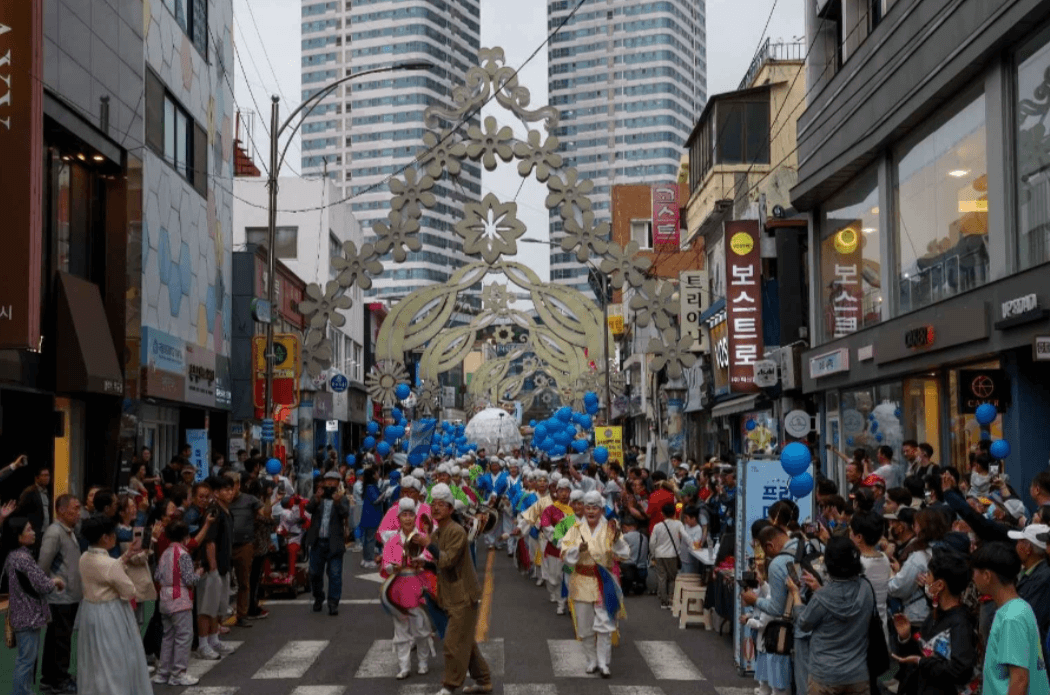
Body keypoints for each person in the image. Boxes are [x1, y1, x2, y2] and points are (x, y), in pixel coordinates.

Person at [422, 483, 492, 695]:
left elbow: (447, 561)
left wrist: (428, 544)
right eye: (433, 504)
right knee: (466, 643)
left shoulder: (456, 531)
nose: (436, 508)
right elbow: (438, 563)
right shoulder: (439, 532)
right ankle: (484, 681)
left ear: (451, 509)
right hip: (450, 594)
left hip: (463, 595)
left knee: (453, 643)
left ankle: (449, 686)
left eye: (441, 505)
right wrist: (423, 564)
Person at [77, 514, 152, 694]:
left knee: (94, 662)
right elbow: (129, 591)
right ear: (105, 538)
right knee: (116, 662)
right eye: (113, 534)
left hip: (89, 611)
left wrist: (126, 556)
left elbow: (108, 570)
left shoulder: (84, 557)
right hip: (111, 613)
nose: (115, 537)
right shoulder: (110, 564)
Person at [560, 490, 631, 678]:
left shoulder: (610, 528)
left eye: (595, 508)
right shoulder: (575, 529)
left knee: (605, 625)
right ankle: (591, 660)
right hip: (582, 580)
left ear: (601, 510)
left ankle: (603, 663)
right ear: (583, 508)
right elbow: (564, 554)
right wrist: (577, 549)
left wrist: (616, 540)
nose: (591, 511)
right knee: (585, 626)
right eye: (588, 507)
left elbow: (624, 554)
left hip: (604, 581)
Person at [792, 535, 875, 695]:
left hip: (825, 675)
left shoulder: (822, 596)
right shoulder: (866, 588)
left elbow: (803, 623)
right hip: (858, 673)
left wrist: (796, 595)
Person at [892, 548, 976, 695]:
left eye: (929, 575)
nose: (925, 578)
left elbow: (960, 671)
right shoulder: (937, 613)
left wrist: (921, 662)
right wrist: (906, 637)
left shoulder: (960, 624)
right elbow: (923, 650)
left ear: (939, 585)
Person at [970, 542, 1050, 695]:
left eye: (975, 572)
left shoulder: (1011, 618)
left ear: (987, 576)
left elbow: (1019, 680)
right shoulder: (1019, 607)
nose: (973, 578)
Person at [4, 517, 64, 695]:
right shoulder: (23, 558)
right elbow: (42, 584)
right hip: (28, 615)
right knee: (26, 661)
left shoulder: (12, 556)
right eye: (28, 530)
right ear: (19, 535)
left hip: (22, 614)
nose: (33, 533)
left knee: (26, 659)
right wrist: (56, 581)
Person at [380, 497, 435, 680]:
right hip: (398, 589)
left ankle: (423, 662)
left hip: (419, 587)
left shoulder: (422, 538)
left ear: (415, 516)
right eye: (404, 515)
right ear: (399, 518)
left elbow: (431, 557)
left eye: (411, 514)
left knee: (421, 628)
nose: (408, 519)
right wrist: (391, 567)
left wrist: (424, 561)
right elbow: (386, 564)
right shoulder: (393, 540)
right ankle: (404, 666)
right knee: (401, 629)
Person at [742, 525, 797, 695]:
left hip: (781, 633)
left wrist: (754, 600)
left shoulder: (778, 563)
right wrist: (763, 585)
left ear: (770, 546)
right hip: (803, 624)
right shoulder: (804, 546)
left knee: (779, 683)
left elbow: (775, 607)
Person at [38, 494, 82, 694]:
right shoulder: (54, 533)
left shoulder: (69, 531)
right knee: (60, 641)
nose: (79, 513)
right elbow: (42, 566)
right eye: (75, 508)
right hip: (59, 598)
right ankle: (58, 681)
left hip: (69, 596)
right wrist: (48, 587)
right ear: (62, 510)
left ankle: (51, 678)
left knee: (58, 639)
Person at [153, 521, 203, 686]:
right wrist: (199, 573)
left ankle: (163, 672)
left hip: (165, 598)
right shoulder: (183, 554)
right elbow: (189, 579)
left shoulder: (165, 553)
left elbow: (157, 576)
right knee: (183, 637)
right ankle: (179, 673)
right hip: (179, 598)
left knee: (168, 637)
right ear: (186, 537)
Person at [305, 471, 350, 615]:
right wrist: (316, 498)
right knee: (314, 573)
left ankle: (333, 603)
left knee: (335, 574)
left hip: (334, 543)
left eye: (333, 480)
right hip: (318, 542)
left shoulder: (342, 498)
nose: (330, 483)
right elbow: (308, 509)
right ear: (323, 482)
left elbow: (345, 513)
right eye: (327, 480)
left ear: (338, 482)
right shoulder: (318, 496)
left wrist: (337, 502)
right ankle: (318, 597)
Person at [226, 472, 263, 627]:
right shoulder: (220, 502)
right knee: (223, 583)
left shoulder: (249, 500)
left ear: (238, 485)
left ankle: (242, 614)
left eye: (232, 486)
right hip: (225, 546)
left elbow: (262, 513)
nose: (229, 491)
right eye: (226, 487)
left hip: (244, 545)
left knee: (244, 581)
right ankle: (221, 616)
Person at [850, 511, 891, 641]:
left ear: (858, 537)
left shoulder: (858, 564)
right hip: (881, 630)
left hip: (860, 634)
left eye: (851, 531)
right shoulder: (884, 558)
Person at [1007, 524, 1050, 646]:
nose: (1016, 546)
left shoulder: (1043, 579)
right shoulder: (1032, 572)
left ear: (1028, 548)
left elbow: (1029, 619)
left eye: (1020, 541)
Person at [540, 479, 575, 614]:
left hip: (572, 550)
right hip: (555, 550)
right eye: (561, 491)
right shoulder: (550, 510)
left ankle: (564, 603)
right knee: (555, 578)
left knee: (569, 577)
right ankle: (557, 596)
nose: (564, 494)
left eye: (567, 491)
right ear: (556, 492)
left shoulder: (576, 509)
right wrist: (559, 539)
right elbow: (546, 526)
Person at [649, 502, 685, 609]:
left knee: (662, 578)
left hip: (659, 555)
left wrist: (653, 554)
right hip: (672, 555)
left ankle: (663, 602)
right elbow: (685, 536)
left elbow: (652, 542)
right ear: (674, 513)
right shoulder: (678, 524)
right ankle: (671, 599)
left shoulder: (657, 526)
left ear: (662, 513)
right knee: (673, 578)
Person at [16, 466, 51, 549]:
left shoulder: (47, 492)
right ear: (37, 478)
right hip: (34, 532)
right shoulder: (29, 492)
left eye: (48, 475)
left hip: (45, 532)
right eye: (44, 475)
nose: (47, 478)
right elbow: (20, 511)